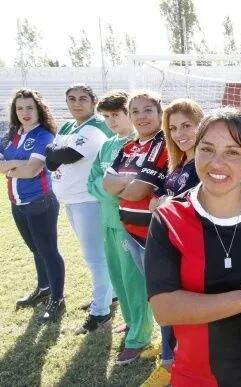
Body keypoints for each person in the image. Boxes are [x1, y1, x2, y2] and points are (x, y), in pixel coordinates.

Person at [144, 107, 241, 386]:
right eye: (206, 149)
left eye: (232, 152)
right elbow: (165, 308)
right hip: (195, 376)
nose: (216, 163)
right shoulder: (169, 218)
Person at [86, 90, 154, 364]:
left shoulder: (138, 145)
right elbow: (93, 181)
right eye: (106, 116)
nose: (111, 121)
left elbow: (136, 189)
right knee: (118, 278)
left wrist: (112, 189)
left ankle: (139, 336)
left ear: (129, 113)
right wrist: (111, 190)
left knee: (133, 280)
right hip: (108, 222)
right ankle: (130, 321)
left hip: (129, 224)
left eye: (116, 114)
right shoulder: (107, 145)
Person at [142, 99, 204, 387]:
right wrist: (162, 202)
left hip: (188, 250)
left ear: (201, 125)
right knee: (166, 304)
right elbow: (162, 201)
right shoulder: (180, 163)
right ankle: (169, 361)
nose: (180, 133)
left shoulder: (202, 165)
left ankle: (172, 366)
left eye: (187, 126)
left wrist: (163, 202)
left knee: (182, 312)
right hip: (169, 247)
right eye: (174, 128)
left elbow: (191, 206)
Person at [45, 84, 114, 334]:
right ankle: (110, 296)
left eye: (83, 98)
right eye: (71, 99)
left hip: (88, 201)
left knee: (96, 257)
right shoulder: (66, 126)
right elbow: (52, 159)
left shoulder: (96, 126)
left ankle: (100, 312)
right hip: (72, 200)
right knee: (95, 255)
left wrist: (56, 153)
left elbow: (68, 155)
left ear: (93, 101)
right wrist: (55, 153)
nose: (77, 103)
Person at [0, 89, 66, 322]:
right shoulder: (10, 135)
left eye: (30, 107)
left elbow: (32, 170)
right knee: (35, 249)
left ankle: (58, 300)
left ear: (39, 109)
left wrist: (10, 165)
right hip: (17, 203)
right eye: (20, 108)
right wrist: (17, 164)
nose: (25, 113)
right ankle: (44, 288)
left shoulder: (44, 135)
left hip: (40, 202)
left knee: (48, 251)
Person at [103, 90, 168, 276]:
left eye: (148, 110)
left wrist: (120, 186)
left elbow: (137, 192)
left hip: (154, 234)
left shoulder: (162, 143)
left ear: (160, 114)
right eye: (135, 111)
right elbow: (106, 184)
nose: (142, 116)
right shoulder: (128, 147)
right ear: (130, 116)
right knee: (150, 289)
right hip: (131, 231)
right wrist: (129, 180)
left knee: (161, 293)